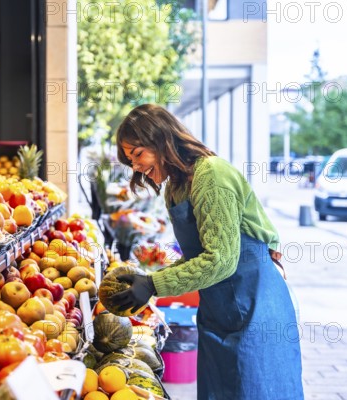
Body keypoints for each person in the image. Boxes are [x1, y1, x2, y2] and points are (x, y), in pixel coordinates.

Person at [109, 104, 304, 400]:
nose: (135, 166)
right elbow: (197, 256)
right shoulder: (177, 186)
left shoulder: (211, 175)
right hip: (219, 311)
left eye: (138, 154)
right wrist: (149, 281)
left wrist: (153, 285)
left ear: (161, 139)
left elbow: (221, 260)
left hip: (254, 308)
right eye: (130, 159)